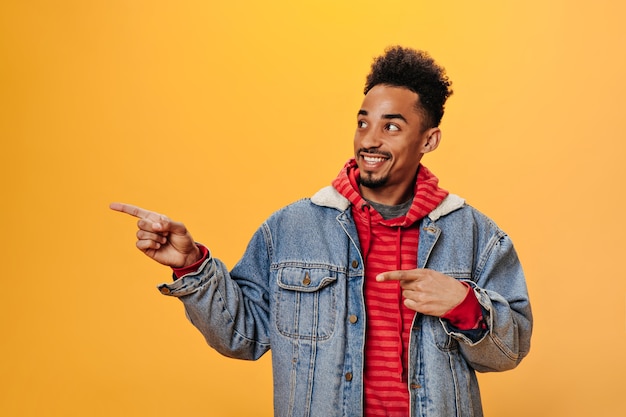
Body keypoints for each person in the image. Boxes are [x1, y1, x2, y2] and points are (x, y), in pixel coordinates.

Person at [110, 46, 532, 417]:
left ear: (429, 140)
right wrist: (191, 266)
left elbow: (509, 352)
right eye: (363, 122)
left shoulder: (475, 234)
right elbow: (242, 335)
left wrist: (465, 305)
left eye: (391, 126)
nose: (369, 139)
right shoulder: (291, 228)